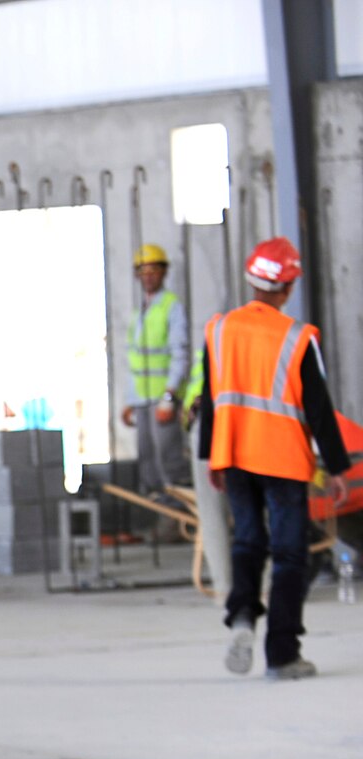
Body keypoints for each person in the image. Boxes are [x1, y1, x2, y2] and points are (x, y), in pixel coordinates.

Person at [195, 236, 349, 680]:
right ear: (288, 287)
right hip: (282, 459)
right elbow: (318, 409)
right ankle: (281, 655)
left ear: (252, 280)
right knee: (288, 555)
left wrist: (212, 457)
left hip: (234, 454)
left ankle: (242, 615)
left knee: (246, 542)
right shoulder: (299, 338)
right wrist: (337, 468)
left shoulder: (219, 329)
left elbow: (210, 398)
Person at [122, 244, 190, 499]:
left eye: (153, 270)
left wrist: (169, 398)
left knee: (169, 458)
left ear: (163, 273)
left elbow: (179, 355)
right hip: (143, 399)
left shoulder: (171, 306)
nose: (148, 276)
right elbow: (136, 360)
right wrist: (131, 401)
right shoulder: (140, 310)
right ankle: (159, 510)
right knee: (148, 458)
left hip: (163, 399)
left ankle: (178, 513)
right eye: (143, 270)